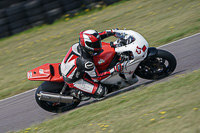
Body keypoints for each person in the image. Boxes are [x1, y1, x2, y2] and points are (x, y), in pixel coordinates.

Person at [60, 29, 123, 100]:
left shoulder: (82, 44)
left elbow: (98, 37)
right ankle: (77, 93)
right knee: (102, 91)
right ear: (88, 44)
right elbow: (97, 77)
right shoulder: (86, 62)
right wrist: (114, 70)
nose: (98, 45)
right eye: (95, 44)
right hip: (74, 79)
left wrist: (112, 32)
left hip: (69, 66)